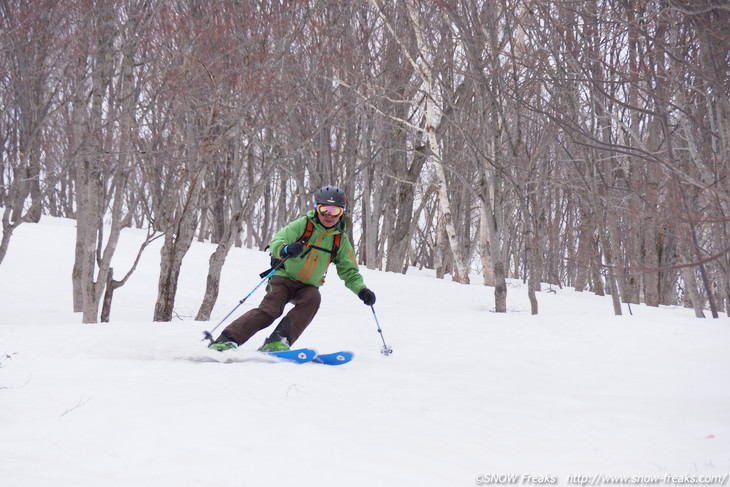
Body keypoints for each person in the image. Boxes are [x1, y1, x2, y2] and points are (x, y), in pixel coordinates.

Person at [208, 185, 376, 352]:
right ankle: (227, 339)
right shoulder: (303, 225)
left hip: (308, 286)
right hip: (284, 278)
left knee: (313, 299)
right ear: (316, 208)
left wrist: (362, 290)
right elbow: (277, 241)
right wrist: (285, 249)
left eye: (335, 211)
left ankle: (277, 341)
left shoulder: (340, 240)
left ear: (342, 212)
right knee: (270, 311)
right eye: (324, 209)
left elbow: (349, 271)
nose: (329, 215)